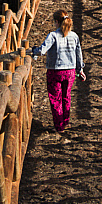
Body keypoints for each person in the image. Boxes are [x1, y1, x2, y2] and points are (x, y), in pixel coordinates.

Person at [32, 9, 86, 142]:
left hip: (55, 71)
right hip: (70, 71)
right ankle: (65, 120)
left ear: (56, 21)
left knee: (55, 98)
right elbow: (78, 54)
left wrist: (33, 51)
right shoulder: (74, 36)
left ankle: (59, 124)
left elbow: (42, 51)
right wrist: (80, 69)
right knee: (66, 96)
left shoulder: (53, 35)